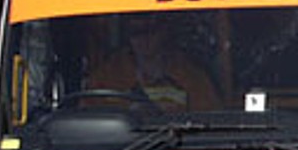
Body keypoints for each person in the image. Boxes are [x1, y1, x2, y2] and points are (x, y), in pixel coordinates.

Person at [88, 17, 222, 110]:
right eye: (137, 32)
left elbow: (208, 125)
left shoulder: (191, 77)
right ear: (127, 36)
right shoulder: (105, 78)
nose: (144, 38)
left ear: (164, 32)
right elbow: (86, 127)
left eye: (151, 30)